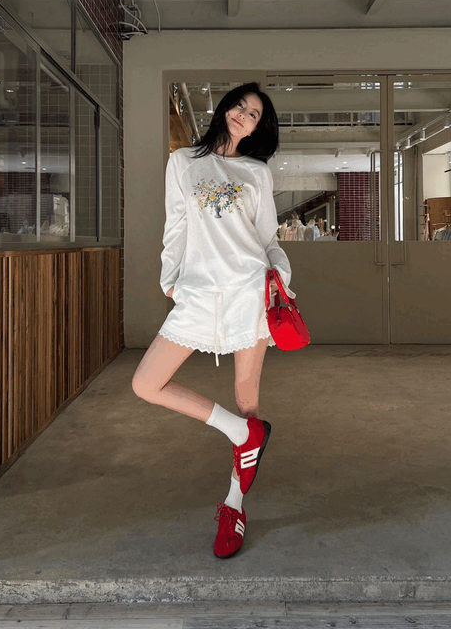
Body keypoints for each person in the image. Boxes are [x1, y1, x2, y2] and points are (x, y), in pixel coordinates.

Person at [132, 82, 295, 559]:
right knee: (146, 383)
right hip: (200, 293)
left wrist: (279, 278)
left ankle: (234, 506)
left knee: (248, 402)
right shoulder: (184, 161)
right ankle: (241, 434)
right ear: (225, 109)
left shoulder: (256, 172)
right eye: (240, 106)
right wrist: (170, 280)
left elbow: (267, 238)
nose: (244, 115)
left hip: (248, 291)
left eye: (255, 113)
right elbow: (176, 224)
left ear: (259, 127)